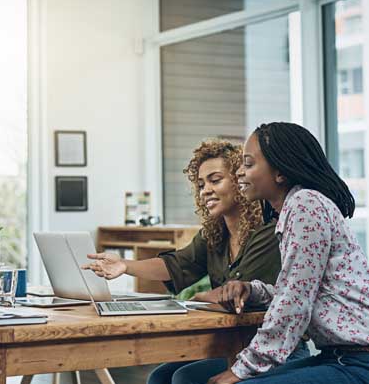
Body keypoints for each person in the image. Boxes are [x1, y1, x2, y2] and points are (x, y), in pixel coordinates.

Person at [83, 140, 307, 384]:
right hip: (230, 343)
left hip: (273, 348)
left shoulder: (268, 232)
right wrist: (125, 266)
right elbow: (177, 264)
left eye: (215, 180)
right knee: (160, 376)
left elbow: (231, 295)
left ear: (239, 180)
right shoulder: (215, 234)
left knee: (184, 378)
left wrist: (202, 297)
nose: (205, 190)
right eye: (201, 184)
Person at [206, 122, 369, 384]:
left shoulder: (306, 205)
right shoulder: (297, 208)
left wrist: (242, 368)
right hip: (338, 357)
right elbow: (300, 290)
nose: (238, 172)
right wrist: (253, 290)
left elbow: (294, 302)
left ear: (279, 173)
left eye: (248, 164)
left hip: (358, 362)